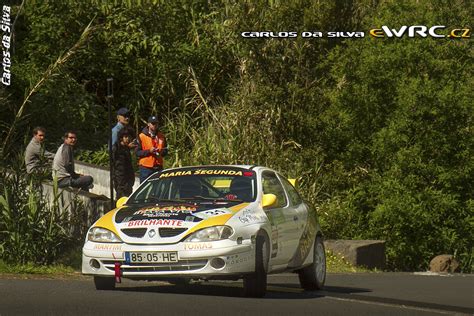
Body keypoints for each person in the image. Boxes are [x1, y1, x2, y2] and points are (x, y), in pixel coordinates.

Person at [136, 116, 168, 183]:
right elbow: (137, 152)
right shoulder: (141, 136)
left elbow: (165, 151)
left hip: (158, 167)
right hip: (146, 167)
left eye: (156, 123)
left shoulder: (162, 136)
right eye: (153, 123)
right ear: (148, 124)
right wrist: (149, 151)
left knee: (158, 189)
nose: (155, 125)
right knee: (144, 189)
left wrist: (161, 152)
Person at [112, 127, 135, 198]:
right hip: (120, 179)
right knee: (121, 197)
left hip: (128, 179)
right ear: (121, 137)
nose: (128, 139)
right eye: (126, 137)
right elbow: (118, 164)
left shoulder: (126, 148)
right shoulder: (117, 148)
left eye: (129, 137)